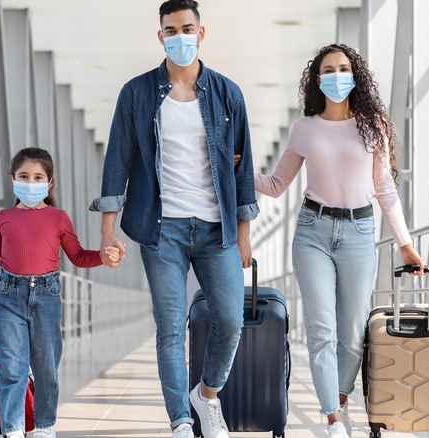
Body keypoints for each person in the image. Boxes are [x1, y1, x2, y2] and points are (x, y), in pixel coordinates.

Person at [88, 1, 259, 437]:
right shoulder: (137, 93)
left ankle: (206, 394)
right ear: (160, 36)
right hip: (161, 228)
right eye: (170, 30)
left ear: (201, 33)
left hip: (216, 228)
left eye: (187, 28)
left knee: (232, 322)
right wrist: (108, 230)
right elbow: (117, 162)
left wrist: (244, 233)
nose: (179, 36)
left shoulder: (227, 93)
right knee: (169, 328)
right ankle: (180, 421)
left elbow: (242, 170)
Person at [253, 44, 424, 438]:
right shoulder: (305, 128)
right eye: (328, 70)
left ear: (354, 74)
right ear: (318, 79)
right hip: (312, 231)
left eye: (343, 68)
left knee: (351, 336)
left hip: (360, 233)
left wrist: (405, 243)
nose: (336, 75)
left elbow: (385, 190)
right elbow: (277, 185)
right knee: (322, 331)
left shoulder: (373, 125)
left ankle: (340, 401)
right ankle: (333, 418)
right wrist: (239, 172)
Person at [0, 147, 120, 438]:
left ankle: (43, 426)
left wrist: (104, 257)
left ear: (49, 182)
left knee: (46, 368)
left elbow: (77, 256)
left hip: (46, 297)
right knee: (12, 368)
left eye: (38, 177)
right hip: (7, 297)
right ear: (12, 179)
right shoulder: (3, 218)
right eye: (23, 176)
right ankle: (13, 429)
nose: (30, 182)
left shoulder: (58, 218)